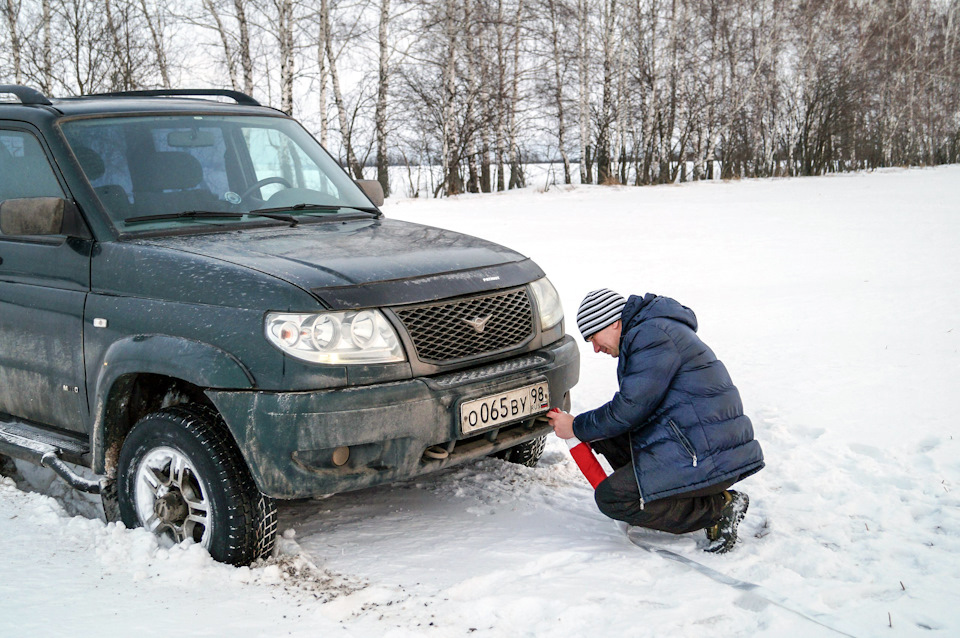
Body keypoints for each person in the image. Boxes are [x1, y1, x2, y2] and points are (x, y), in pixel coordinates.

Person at [546, 289, 764, 553]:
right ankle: (676, 497)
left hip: (707, 453)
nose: (595, 348)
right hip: (698, 443)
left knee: (612, 499)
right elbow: (633, 409)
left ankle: (718, 508)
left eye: (594, 337)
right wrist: (585, 428)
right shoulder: (649, 331)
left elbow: (629, 409)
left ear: (614, 322)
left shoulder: (650, 336)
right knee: (604, 435)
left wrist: (576, 425)